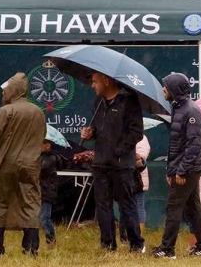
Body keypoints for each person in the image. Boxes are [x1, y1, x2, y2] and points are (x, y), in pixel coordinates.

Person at [0, 72, 46, 256]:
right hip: (31, 165)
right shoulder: (38, 112)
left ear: (14, 91)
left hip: (6, 164)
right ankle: (31, 248)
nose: (3, 94)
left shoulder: (5, 111)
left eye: (5, 90)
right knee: (30, 204)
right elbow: (41, 137)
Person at [80, 71, 145, 253]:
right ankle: (107, 244)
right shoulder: (98, 102)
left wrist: (119, 150)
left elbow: (136, 132)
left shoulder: (129, 102)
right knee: (102, 204)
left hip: (122, 165)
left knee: (127, 204)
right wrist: (89, 133)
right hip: (100, 163)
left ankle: (136, 244)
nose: (92, 85)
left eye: (95, 81)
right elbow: (96, 129)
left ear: (106, 81)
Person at [152, 72, 201, 259]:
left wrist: (181, 170)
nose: (163, 89)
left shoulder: (190, 111)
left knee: (174, 207)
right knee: (193, 207)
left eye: (166, 86)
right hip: (185, 167)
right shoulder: (179, 108)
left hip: (189, 168)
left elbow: (193, 145)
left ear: (175, 89)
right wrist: (172, 169)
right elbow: (177, 145)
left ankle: (167, 249)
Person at [40, 138, 66, 245]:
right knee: (42, 217)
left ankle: (51, 239)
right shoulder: (43, 157)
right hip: (43, 191)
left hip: (47, 191)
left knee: (44, 218)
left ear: (48, 146)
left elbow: (41, 169)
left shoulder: (51, 158)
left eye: (40, 144)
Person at [135, 135, 151, 234]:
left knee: (139, 206)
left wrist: (137, 156)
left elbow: (142, 156)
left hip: (138, 178)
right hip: (127, 177)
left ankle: (139, 235)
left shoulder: (141, 138)